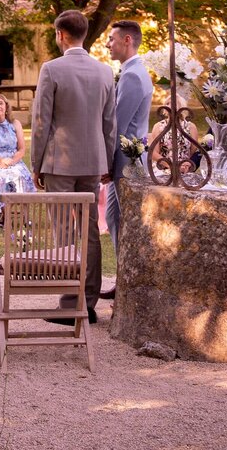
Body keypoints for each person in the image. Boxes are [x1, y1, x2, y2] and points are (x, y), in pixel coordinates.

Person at [30, 10, 117, 325]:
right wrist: (107, 160)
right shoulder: (105, 72)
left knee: (65, 233)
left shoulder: (52, 69)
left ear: (61, 35)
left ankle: (70, 304)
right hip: (93, 161)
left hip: (60, 163)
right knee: (90, 231)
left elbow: (41, 122)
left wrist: (35, 164)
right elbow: (110, 122)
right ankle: (89, 303)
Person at [104, 19, 154, 296]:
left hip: (128, 162)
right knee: (114, 219)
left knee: (129, 223)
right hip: (124, 159)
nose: (108, 44)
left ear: (126, 40)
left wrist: (106, 164)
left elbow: (119, 126)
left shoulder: (133, 75)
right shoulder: (129, 71)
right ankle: (124, 278)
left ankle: (132, 286)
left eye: (111, 39)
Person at [0, 93, 36, 215]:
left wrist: (12, 161)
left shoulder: (15, 124)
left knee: (22, 177)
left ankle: (25, 216)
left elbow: (22, 150)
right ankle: (4, 216)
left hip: (13, 161)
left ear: (6, 107)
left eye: (1, 103)